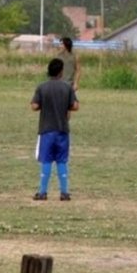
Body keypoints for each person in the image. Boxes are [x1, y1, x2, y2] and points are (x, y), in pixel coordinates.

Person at [31, 58, 80, 201]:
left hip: (46, 129)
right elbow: (75, 106)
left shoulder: (42, 87)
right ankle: (64, 192)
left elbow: (34, 106)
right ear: (61, 72)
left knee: (46, 160)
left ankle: (42, 192)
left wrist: (43, 105)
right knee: (61, 160)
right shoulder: (67, 87)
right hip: (62, 129)